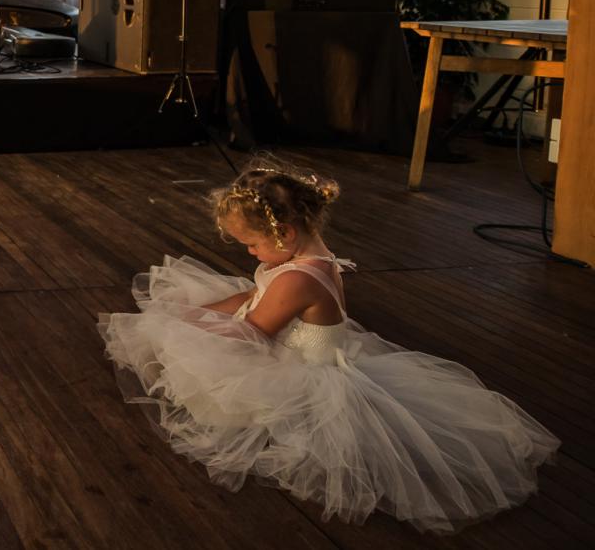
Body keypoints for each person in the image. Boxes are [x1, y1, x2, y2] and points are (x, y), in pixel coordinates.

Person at [98, 168, 559, 533]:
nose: (252, 255)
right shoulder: (301, 260)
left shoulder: (299, 277)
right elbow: (253, 297)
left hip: (307, 369)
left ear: (286, 232)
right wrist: (200, 312)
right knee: (185, 320)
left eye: (253, 244)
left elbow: (253, 331)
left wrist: (195, 330)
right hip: (287, 339)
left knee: (210, 373)